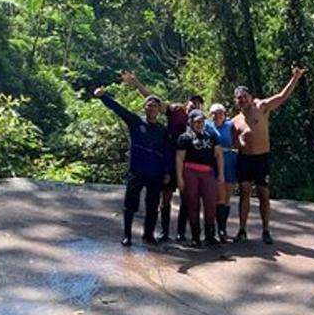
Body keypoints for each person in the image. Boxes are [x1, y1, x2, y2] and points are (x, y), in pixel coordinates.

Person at [120, 71, 204, 243]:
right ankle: (164, 232)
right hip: (170, 159)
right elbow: (152, 100)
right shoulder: (175, 112)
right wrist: (136, 82)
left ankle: (181, 232)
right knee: (165, 197)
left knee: (185, 196)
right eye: (192, 102)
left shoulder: (200, 121)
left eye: (197, 104)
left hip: (189, 161)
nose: (193, 105)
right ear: (186, 103)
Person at [232, 65, 305, 244]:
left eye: (245, 97)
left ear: (251, 97)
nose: (242, 100)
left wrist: (295, 78)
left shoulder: (262, 107)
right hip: (245, 159)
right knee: (245, 193)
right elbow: (232, 141)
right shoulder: (234, 120)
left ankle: (266, 230)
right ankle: (242, 230)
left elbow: (282, 96)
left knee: (264, 193)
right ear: (236, 101)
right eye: (239, 98)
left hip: (261, 158)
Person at [93, 79, 170, 246]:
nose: (152, 108)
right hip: (137, 170)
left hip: (155, 173)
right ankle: (127, 235)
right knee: (130, 204)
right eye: (149, 105)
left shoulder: (162, 130)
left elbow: (166, 152)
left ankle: (148, 235)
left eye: (155, 106)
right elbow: (119, 110)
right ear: (145, 107)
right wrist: (103, 96)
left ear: (159, 110)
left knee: (152, 205)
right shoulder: (135, 121)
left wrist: (167, 172)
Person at [176, 109, 225, 246]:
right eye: (196, 121)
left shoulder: (211, 136)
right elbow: (180, 158)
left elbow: (219, 155)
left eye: (201, 121)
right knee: (192, 204)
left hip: (208, 173)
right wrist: (179, 177)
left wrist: (221, 173)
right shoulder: (184, 138)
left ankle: (210, 235)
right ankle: (195, 237)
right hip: (190, 172)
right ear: (190, 122)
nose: (199, 124)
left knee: (210, 203)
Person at [205, 103, 238, 242]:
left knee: (226, 196)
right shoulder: (206, 125)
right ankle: (211, 230)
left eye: (220, 113)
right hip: (211, 161)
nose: (217, 116)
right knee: (214, 196)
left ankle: (222, 229)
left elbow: (237, 141)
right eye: (214, 113)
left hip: (228, 160)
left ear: (225, 114)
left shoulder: (230, 126)